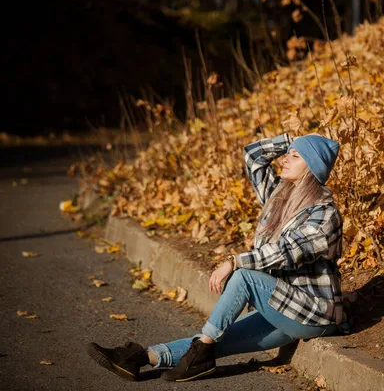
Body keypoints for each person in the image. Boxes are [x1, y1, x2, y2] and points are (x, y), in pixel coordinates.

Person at [87, 132, 344, 382]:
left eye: (295, 156)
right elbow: (253, 155)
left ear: (311, 167)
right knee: (215, 341)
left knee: (244, 277)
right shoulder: (280, 197)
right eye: (287, 154)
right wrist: (294, 141)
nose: (285, 159)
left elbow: (287, 251)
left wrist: (234, 261)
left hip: (313, 313)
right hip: (281, 305)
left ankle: (200, 353)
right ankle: (140, 357)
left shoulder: (324, 214)